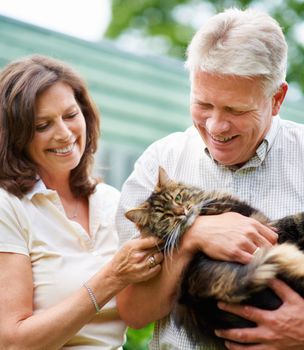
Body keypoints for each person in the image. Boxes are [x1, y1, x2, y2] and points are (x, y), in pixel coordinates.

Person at [116, 7, 304, 350]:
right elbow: (134, 311)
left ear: (276, 99)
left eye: (235, 110)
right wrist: (190, 236)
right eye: (203, 104)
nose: (216, 126)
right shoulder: (160, 162)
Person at [0, 55, 164, 349]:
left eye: (70, 115)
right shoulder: (8, 206)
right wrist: (112, 277)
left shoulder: (113, 201)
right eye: (42, 125)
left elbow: (142, 313)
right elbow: (12, 342)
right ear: (16, 136)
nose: (64, 134)